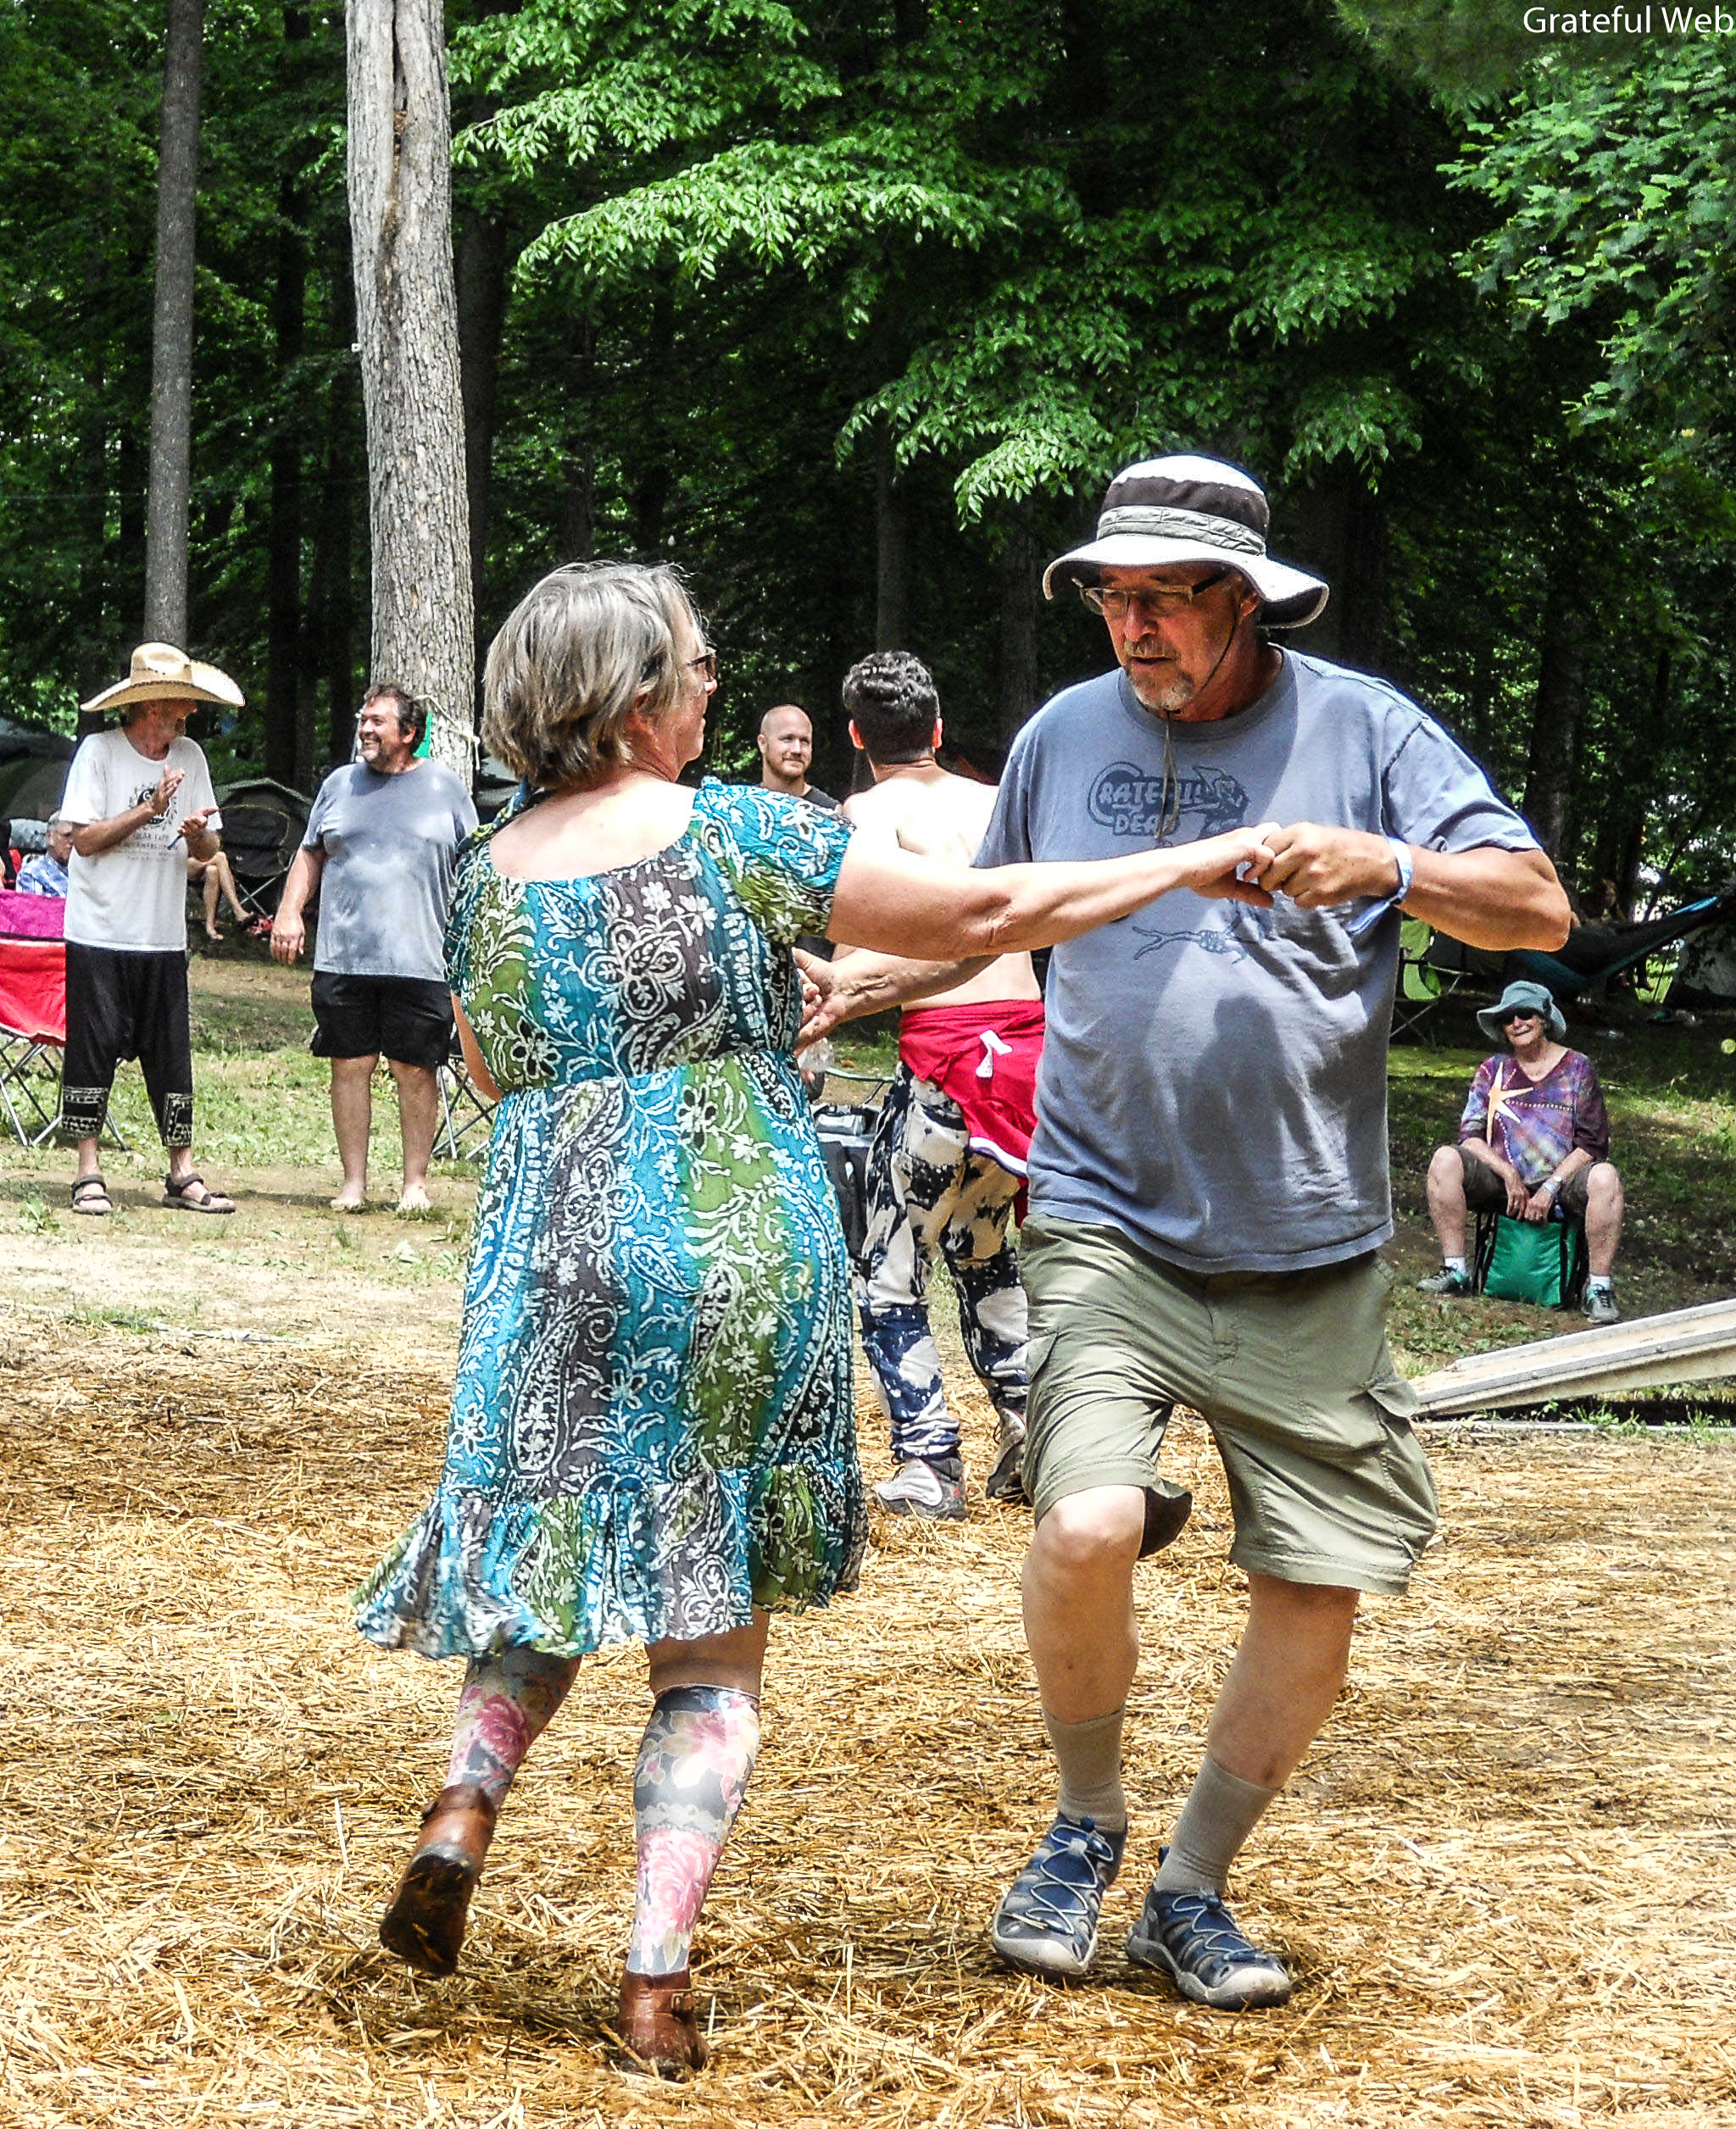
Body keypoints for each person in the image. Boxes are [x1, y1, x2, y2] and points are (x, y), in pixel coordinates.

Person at [352, 559, 1280, 2075]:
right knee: (708, 1649)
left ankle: (466, 1796)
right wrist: (1184, 865)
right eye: (696, 667)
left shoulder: (484, 867)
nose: (714, 687)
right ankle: (652, 1977)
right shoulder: (733, 832)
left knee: (553, 1556)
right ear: (634, 693)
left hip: (549, 1247)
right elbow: (984, 907)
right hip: (726, 1237)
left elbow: (488, 1062)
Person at [806, 454, 1571, 2009]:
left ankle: (1188, 1885)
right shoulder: (1060, 735)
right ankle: (1083, 1824)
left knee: (1314, 1586)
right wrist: (868, 989)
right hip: (1103, 1215)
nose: (1128, 624)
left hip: (1306, 1241)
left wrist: (1393, 867)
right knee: (1085, 1520)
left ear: (1246, 600)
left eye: (1161, 597)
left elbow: (1538, 908)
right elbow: (1007, 924)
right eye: (1110, 594)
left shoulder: (1363, 729)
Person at [837, 650, 1043, 1519]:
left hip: (948, 1063)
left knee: (886, 1264)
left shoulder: (869, 809)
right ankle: (1034, 1437)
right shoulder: (996, 800)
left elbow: (859, 939)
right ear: (935, 731)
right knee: (985, 1246)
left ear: (854, 737)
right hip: (1031, 1060)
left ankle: (928, 1461)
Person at [271, 686, 477, 1213]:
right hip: (344, 956)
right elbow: (310, 853)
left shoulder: (445, 789)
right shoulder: (338, 785)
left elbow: (475, 865)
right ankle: (353, 1184)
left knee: (415, 1069)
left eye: (378, 722)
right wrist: (290, 912)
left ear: (409, 734)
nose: (365, 729)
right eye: (363, 719)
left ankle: (414, 1184)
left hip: (421, 956)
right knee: (350, 1065)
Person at [58, 642, 244, 1217]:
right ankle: (88, 1170)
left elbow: (212, 847)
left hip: (162, 934)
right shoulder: (100, 753)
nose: (188, 714)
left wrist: (195, 835)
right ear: (151, 706)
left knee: (171, 1054)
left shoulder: (190, 756)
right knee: (91, 1049)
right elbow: (80, 841)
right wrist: (149, 809)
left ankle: (182, 1171)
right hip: (100, 929)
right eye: (180, 704)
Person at [1420, 978, 1623, 1324]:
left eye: (1525, 1014)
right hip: (1502, 1184)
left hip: (1562, 1183)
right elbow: (1469, 1135)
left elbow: (1592, 1144)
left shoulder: (1577, 1068)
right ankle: (1455, 1270)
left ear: (1544, 1019)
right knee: (1445, 1159)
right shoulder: (1492, 1070)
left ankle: (1599, 1289)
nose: (1517, 1022)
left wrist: (1550, 1186)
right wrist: (1507, 1173)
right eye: (1508, 1017)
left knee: (1606, 1177)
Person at [755, 703, 837, 809]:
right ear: (763, 744)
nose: (797, 750)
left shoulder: (830, 812)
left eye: (805, 741)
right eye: (787, 739)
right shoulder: (745, 808)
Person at [187, 847, 250, 940]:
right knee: (220, 857)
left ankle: (210, 926)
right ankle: (237, 909)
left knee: (212, 871)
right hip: (182, 863)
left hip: (200, 860)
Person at [14, 817, 72, 898]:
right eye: (67, 836)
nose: (72, 841)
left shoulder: (84, 869)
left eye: (76, 837)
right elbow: (33, 909)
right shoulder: (32, 873)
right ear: (49, 837)